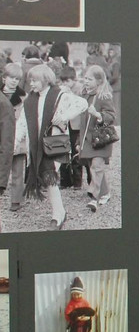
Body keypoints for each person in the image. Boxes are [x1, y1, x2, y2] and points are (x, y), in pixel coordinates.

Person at [16, 64, 88, 229]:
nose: (31, 84)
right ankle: (60, 212)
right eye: (30, 81)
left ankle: (58, 216)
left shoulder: (60, 95)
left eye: (35, 81)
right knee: (50, 180)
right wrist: (15, 142)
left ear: (46, 79)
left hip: (54, 146)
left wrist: (64, 116)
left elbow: (82, 104)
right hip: (37, 148)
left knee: (50, 177)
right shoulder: (29, 100)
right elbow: (22, 123)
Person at [78, 65, 116, 213]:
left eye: (89, 79)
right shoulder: (85, 95)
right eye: (85, 78)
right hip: (88, 140)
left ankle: (93, 198)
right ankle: (105, 193)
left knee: (97, 166)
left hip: (100, 139)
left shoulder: (103, 97)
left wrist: (98, 115)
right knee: (93, 166)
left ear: (99, 81)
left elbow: (112, 116)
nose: (85, 81)